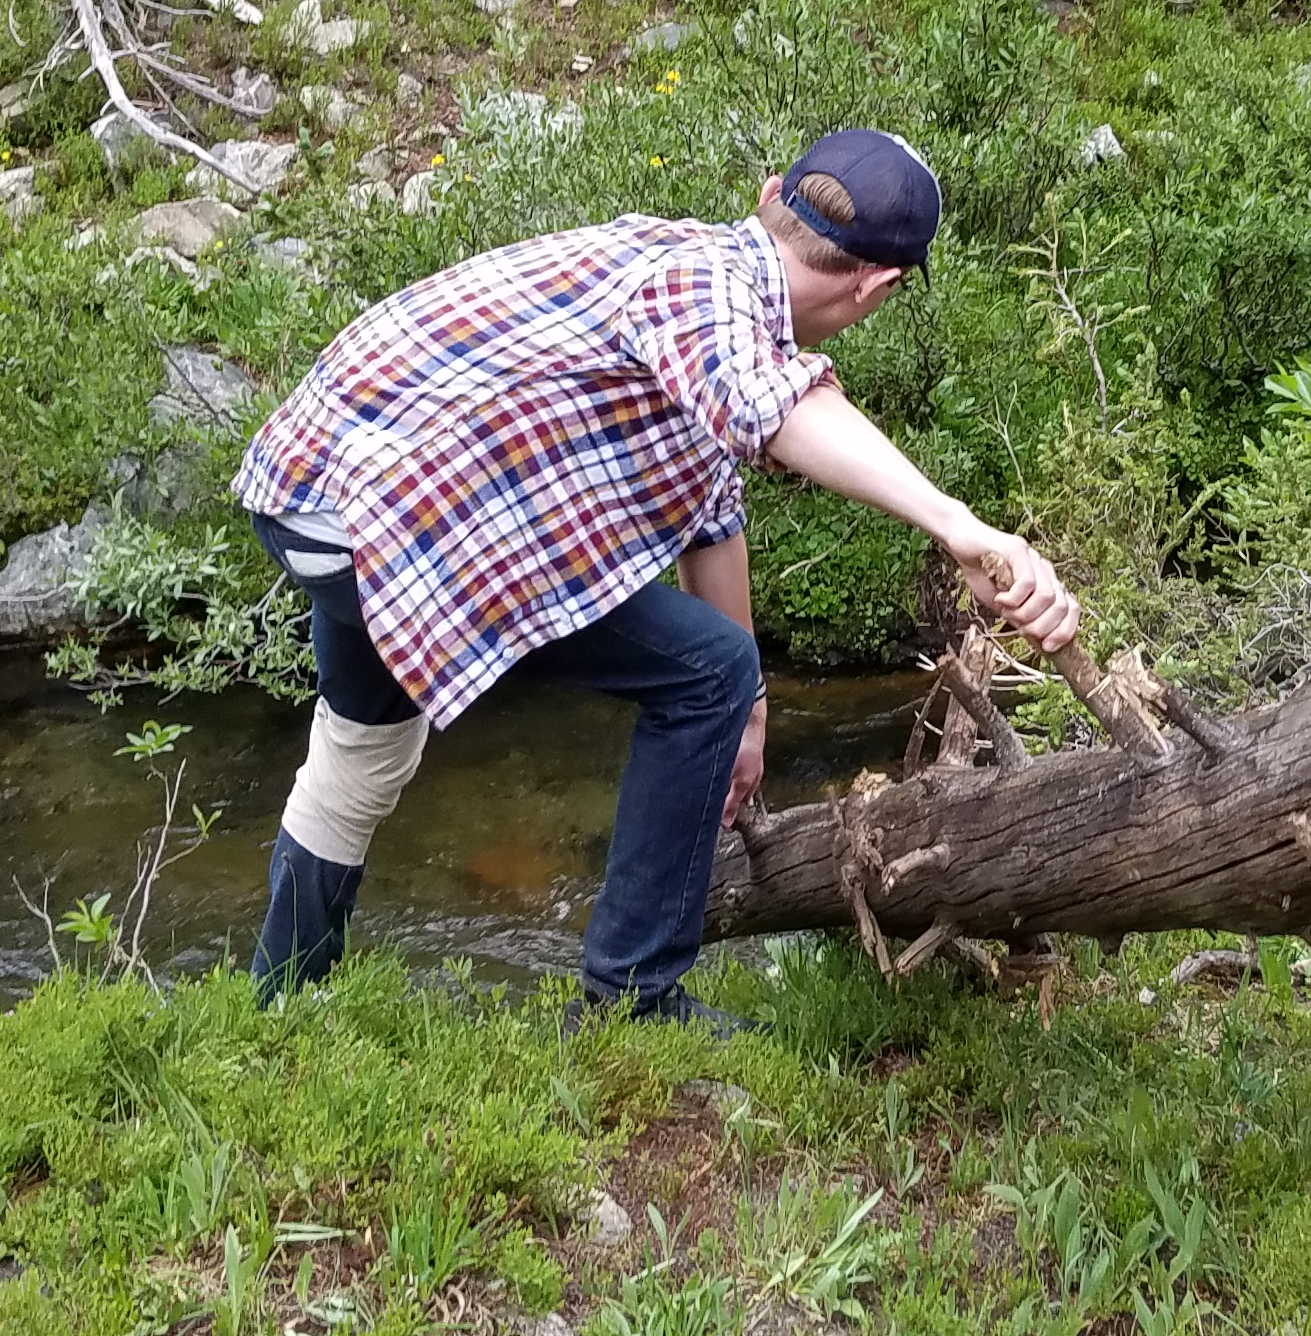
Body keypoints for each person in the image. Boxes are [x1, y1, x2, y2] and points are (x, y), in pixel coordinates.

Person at [228, 127, 1081, 1023]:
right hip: (389, 517)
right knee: (704, 668)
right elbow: (773, 404)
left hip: (313, 497)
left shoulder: (678, 259)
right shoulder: (705, 288)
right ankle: (628, 997)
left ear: (767, 195)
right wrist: (962, 529)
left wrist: (750, 714)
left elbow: (713, 515)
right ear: (878, 287)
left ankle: (281, 1007)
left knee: (364, 750)